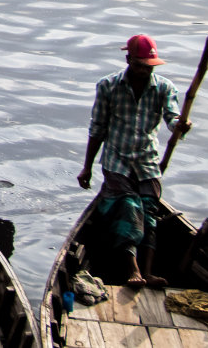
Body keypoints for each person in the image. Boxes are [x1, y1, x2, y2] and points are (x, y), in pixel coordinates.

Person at [78, 34, 188, 288]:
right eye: (140, 66)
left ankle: (148, 272)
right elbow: (98, 129)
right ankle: (132, 269)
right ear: (128, 60)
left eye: (149, 67)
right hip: (117, 161)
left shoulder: (164, 87)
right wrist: (87, 168)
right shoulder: (108, 86)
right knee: (128, 206)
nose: (145, 71)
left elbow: (173, 119)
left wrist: (181, 126)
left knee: (149, 213)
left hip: (147, 162)